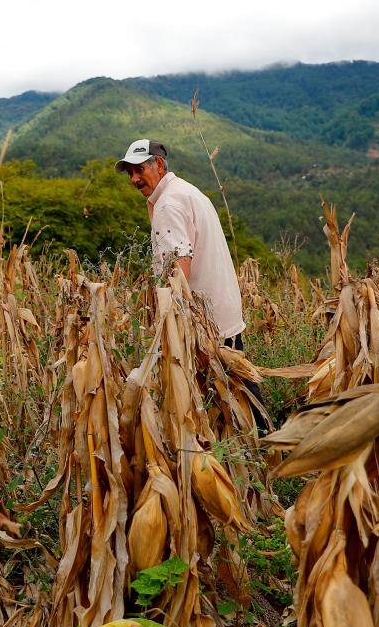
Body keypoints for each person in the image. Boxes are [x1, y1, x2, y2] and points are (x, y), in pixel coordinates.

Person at [116, 138, 271, 431]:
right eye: (129, 173)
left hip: (205, 323)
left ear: (158, 165)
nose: (134, 179)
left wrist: (167, 322)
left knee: (221, 403)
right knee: (243, 398)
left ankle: (255, 459)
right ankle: (265, 455)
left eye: (139, 170)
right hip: (223, 312)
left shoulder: (169, 204)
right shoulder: (188, 191)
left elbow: (178, 268)